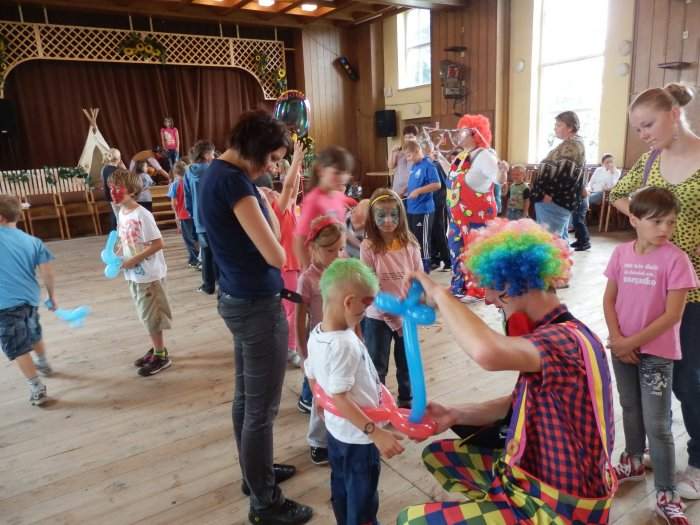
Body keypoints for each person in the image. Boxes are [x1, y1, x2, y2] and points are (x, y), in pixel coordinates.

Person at [397, 218, 616, 525]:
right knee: (438, 455)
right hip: (532, 477)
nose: (488, 300)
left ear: (509, 287)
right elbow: (517, 403)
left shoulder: (564, 342)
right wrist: (454, 414)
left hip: (559, 506)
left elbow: (486, 353)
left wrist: (439, 294)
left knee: (410, 520)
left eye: (491, 291)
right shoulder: (555, 334)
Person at [198, 110, 313, 525]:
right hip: (255, 306)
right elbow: (277, 254)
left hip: (238, 297)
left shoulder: (215, 173)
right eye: (272, 159)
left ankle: (255, 475)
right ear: (254, 149)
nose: (270, 168)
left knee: (247, 399)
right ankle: (265, 503)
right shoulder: (235, 183)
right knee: (260, 410)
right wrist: (266, 209)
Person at [611, 83, 700, 501]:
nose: (643, 135)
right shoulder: (649, 163)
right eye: (637, 129)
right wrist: (645, 221)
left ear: (673, 114)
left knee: (690, 380)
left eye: (648, 125)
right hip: (648, 286)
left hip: (692, 290)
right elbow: (618, 194)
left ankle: (698, 461)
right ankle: (648, 450)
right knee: (650, 376)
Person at [603, 187, 697, 523]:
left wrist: (630, 343)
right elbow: (609, 299)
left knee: (658, 423)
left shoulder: (677, 260)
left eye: (670, 222)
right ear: (634, 219)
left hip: (656, 353)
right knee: (629, 406)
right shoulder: (621, 254)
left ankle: (666, 493)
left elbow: (672, 316)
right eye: (656, 222)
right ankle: (632, 460)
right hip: (623, 348)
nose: (664, 229)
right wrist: (618, 339)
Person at [305, 258, 405, 525]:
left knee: (341, 484)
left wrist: (319, 400)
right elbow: (340, 397)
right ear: (349, 302)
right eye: (365, 306)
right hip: (359, 437)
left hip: (337, 430)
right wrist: (376, 432)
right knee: (362, 498)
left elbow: (311, 372)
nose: (366, 311)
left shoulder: (317, 333)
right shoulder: (344, 344)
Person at [360, 188, 422, 409]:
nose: (388, 221)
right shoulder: (368, 246)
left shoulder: (410, 244)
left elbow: (419, 277)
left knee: (407, 362)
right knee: (377, 364)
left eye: (393, 215)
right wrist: (387, 310)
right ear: (372, 217)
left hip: (406, 315)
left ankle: (406, 401)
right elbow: (369, 282)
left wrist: (415, 299)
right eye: (381, 215)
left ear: (401, 215)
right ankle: (379, 402)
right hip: (377, 316)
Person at [108, 169, 173, 376]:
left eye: (118, 188)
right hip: (135, 274)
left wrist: (134, 260)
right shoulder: (122, 212)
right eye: (111, 188)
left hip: (149, 275)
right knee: (145, 314)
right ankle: (156, 348)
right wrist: (118, 253)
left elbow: (158, 243)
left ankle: (161, 355)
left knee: (152, 315)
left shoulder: (142, 214)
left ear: (132, 190)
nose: (113, 192)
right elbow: (124, 239)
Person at [296, 217, 347, 465]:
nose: (337, 255)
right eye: (330, 250)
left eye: (341, 249)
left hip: (343, 341)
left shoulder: (342, 272)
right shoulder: (307, 279)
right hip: (320, 346)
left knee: (341, 389)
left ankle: (340, 433)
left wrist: (358, 337)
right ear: (314, 248)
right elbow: (299, 319)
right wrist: (303, 352)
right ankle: (317, 441)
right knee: (321, 394)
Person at [0, 195, 56, 406]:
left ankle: (36, 387)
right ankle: (43, 363)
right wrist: (51, 296)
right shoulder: (33, 241)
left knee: (17, 346)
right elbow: (47, 273)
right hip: (30, 299)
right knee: (33, 332)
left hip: (5, 304)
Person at [254, 142, 305, 367]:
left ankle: (285, 345)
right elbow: (289, 187)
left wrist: (298, 166)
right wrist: (296, 160)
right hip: (287, 268)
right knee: (291, 311)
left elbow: (292, 188)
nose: (274, 191)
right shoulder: (275, 210)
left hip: (294, 266)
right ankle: (289, 349)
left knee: (289, 310)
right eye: (268, 191)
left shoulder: (285, 208)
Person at [446, 114, 507, 299]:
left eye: (463, 131)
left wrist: (503, 171)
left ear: (475, 134)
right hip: (458, 218)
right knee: (456, 251)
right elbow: (452, 176)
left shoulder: (485, 156)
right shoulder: (463, 155)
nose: (459, 135)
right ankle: (459, 287)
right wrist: (438, 158)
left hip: (477, 217)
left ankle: (478, 290)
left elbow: (499, 179)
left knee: (476, 254)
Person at [293, 146, 355, 269]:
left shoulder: (338, 196)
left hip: (337, 261)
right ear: (321, 171)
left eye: (346, 173)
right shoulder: (314, 201)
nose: (343, 178)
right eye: (337, 172)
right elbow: (300, 239)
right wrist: (309, 268)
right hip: (321, 265)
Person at [530, 111, 587, 240]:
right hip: (555, 201)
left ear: (570, 127)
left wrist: (549, 194)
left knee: (550, 241)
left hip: (554, 201)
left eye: (559, 125)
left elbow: (566, 174)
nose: (555, 128)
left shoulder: (572, 145)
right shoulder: (570, 144)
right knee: (559, 241)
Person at [183, 140, 217, 295]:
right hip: (216, 218)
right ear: (206, 154)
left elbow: (188, 198)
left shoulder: (188, 172)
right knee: (220, 251)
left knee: (206, 253)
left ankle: (208, 286)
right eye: (212, 153)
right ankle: (223, 283)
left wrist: (194, 215)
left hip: (200, 220)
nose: (213, 156)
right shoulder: (213, 170)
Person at [404, 141, 441, 272]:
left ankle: (425, 267)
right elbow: (413, 184)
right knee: (413, 238)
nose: (408, 159)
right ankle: (416, 265)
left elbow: (437, 185)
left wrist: (418, 191)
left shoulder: (428, 165)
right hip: (412, 209)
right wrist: (404, 190)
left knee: (422, 240)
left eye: (409, 155)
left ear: (417, 151)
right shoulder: (414, 166)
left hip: (423, 210)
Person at [422, 141, 451, 272]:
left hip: (438, 202)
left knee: (439, 231)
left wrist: (438, 201)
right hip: (428, 203)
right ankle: (435, 259)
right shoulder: (424, 165)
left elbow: (443, 184)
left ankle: (447, 260)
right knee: (431, 230)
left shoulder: (436, 164)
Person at [167, 160, 199, 269]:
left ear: (175, 173)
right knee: (196, 237)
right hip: (194, 213)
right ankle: (200, 257)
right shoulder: (191, 181)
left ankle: (194, 260)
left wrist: (176, 215)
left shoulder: (174, 185)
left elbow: (174, 202)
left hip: (183, 215)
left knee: (188, 238)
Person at [388, 124, 418, 199]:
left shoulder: (419, 152)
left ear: (416, 137)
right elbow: (390, 166)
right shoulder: (399, 150)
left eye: (410, 137)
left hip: (412, 190)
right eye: (406, 137)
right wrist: (392, 152)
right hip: (398, 189)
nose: (408, 139)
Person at [101, 147, 126, 228]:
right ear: (119, 159)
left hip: (110, 196)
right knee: (124, 217)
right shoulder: (117, 170)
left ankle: (120, 234)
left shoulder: (104, 169)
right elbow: (128, 181)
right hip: (119, 196)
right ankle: (123, 234)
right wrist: (124, 169)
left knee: (118, 218)